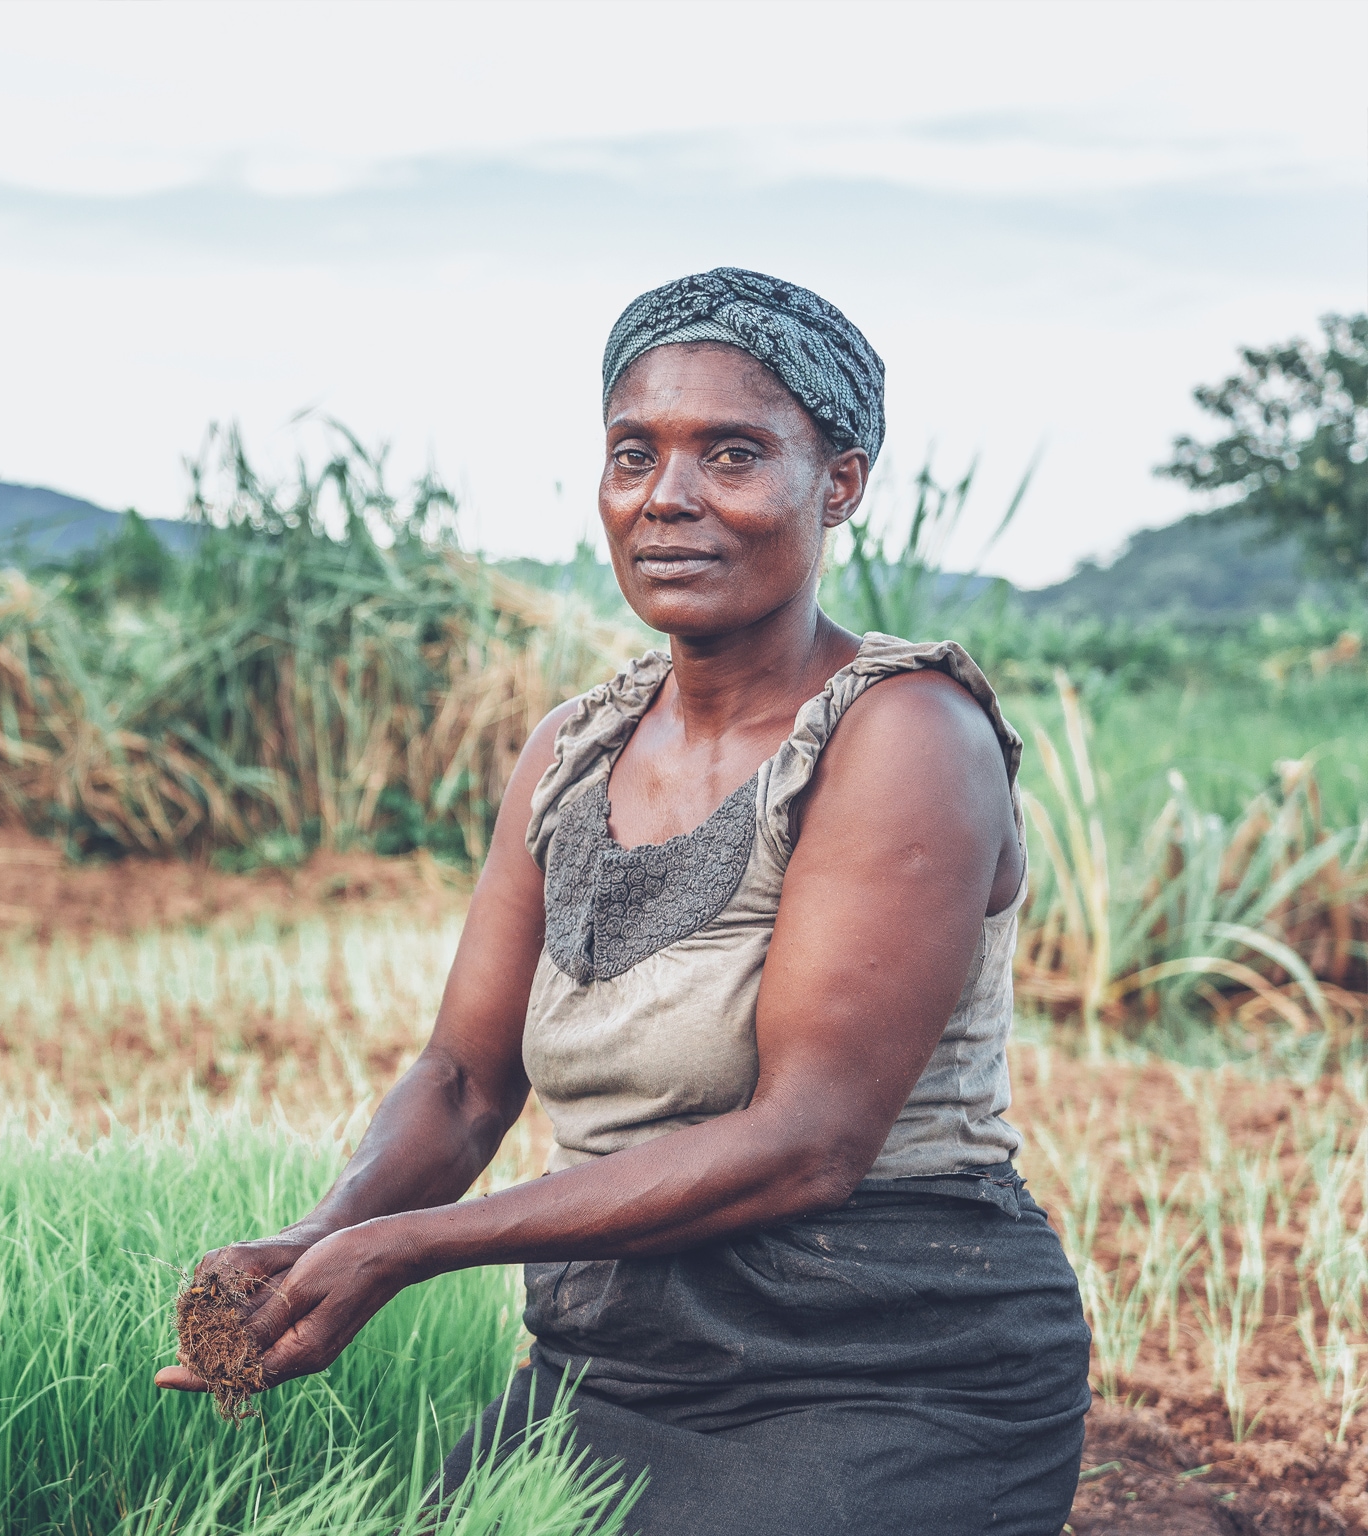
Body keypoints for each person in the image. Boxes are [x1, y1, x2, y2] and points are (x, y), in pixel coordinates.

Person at [156, 267, 1092, 1533]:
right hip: (615, 1358)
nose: (669, 498)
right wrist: (322, 1237)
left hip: (885, 1357)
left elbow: (809, 1140)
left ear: (842, 483)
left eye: (734, 454)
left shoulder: (903, 734)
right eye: (633, 453)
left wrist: (415, 1248)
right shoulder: (570, 753)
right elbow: (462, 1081)